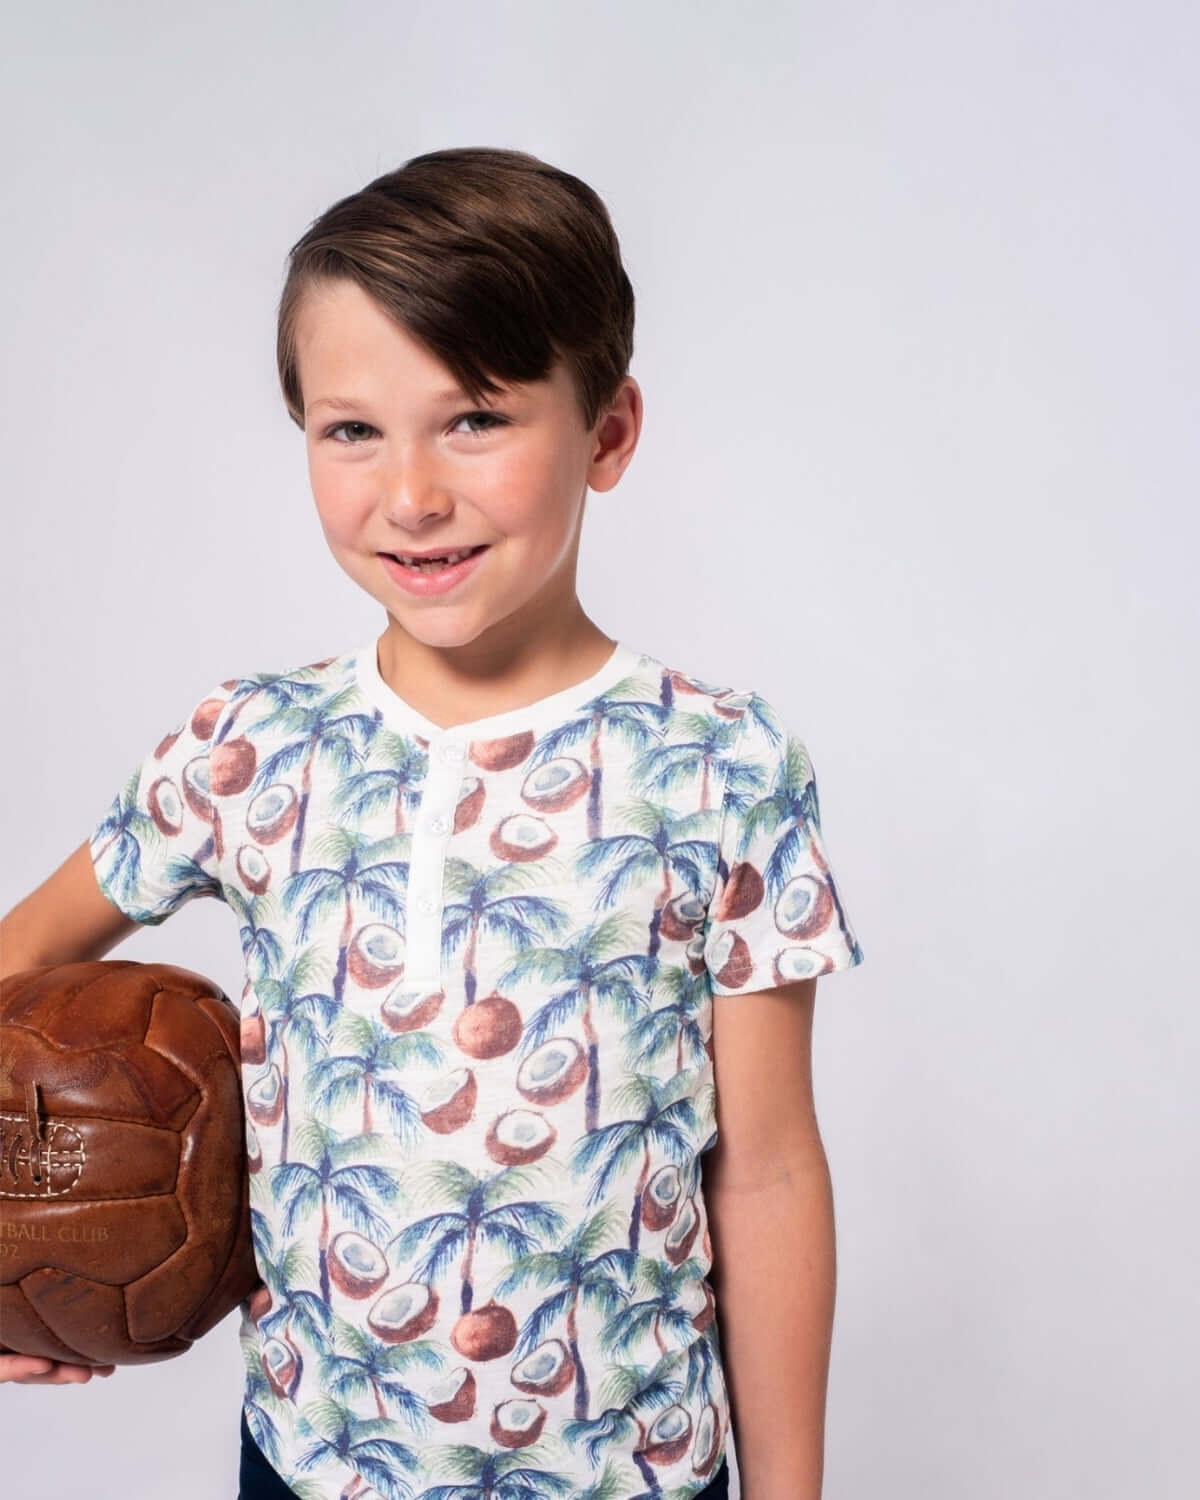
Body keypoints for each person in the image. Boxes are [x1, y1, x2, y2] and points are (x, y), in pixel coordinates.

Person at [0, 146, 864, 1500]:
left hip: (634, 1476)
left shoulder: (720, 762)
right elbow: (19, 970)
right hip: (314, 1469)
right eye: (352, 429)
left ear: (609, 432)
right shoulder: (249, 746)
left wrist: (793, 1494)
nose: (409, 493)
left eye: (474, 419)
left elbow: (765, 1174)